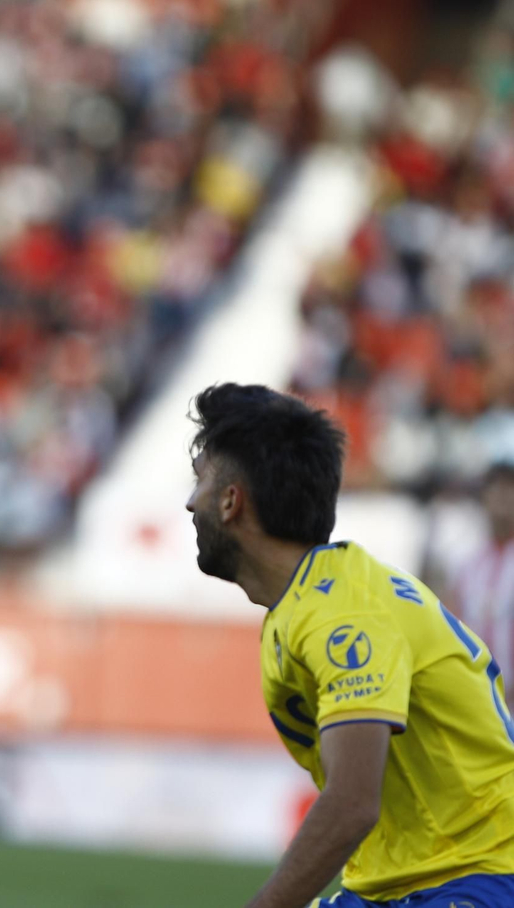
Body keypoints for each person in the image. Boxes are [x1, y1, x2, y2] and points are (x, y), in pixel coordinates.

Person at [186, 382, 514, 908]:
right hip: (401, 879)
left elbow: (353, 802)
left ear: (231, 501)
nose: (188, 502)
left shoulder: (342, 615)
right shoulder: (301, 607)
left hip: (482, 873)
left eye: (199, 481)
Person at [453, 462, 514, 692]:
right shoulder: (467, 565)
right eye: (496, 490)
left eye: (510, 490)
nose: (503, 498)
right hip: (481, 702)